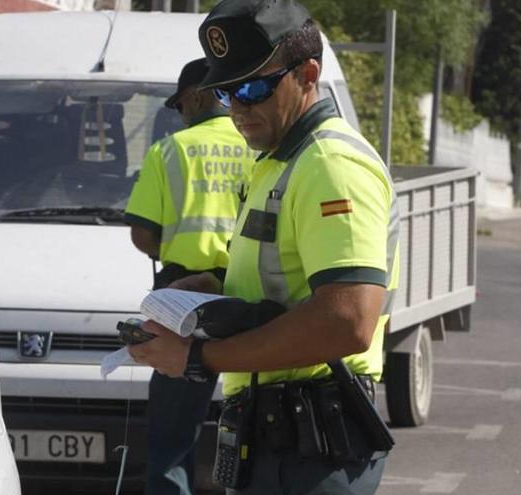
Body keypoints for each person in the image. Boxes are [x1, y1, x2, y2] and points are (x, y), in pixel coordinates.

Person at [128, 1, 400, 493]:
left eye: (253, 87)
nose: (238, 108)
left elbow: (348, 320)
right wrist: (216, 287)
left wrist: (198, 360)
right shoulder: (277, 159)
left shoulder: (330, 164)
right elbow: (292, 282)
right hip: (279, 434)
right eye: (225, 91)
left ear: (308, 73)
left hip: (312, 442)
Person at [123, 57, 257, 495]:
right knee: (253, 416)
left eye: (180, 105)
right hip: (250, 296)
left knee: (173, 430)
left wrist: (175, 246)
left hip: (183, 299)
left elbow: (143, 235)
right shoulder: (259, 148)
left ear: (197, 96)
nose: (180, 114)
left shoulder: (171, 150)